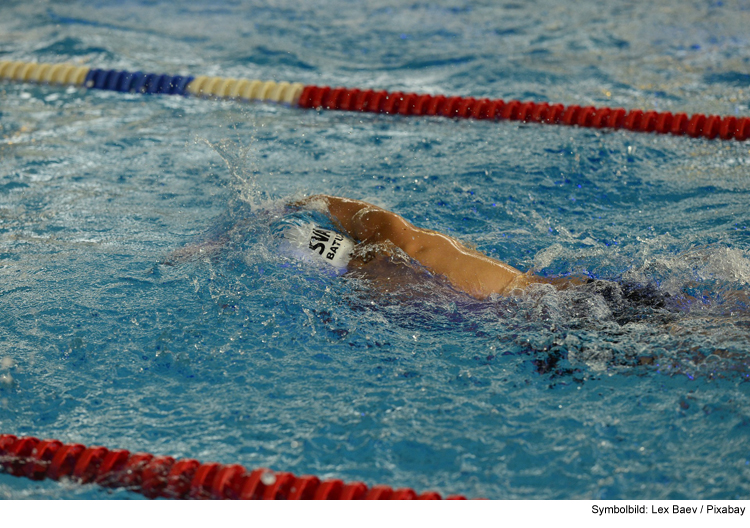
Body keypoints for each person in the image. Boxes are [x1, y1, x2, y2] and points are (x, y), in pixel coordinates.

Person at [289, 194, 549, 299]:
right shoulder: (392, 235)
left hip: (534, 305)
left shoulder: (397, 241)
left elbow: (320, 203)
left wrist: (285, 208)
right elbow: (321, 202)